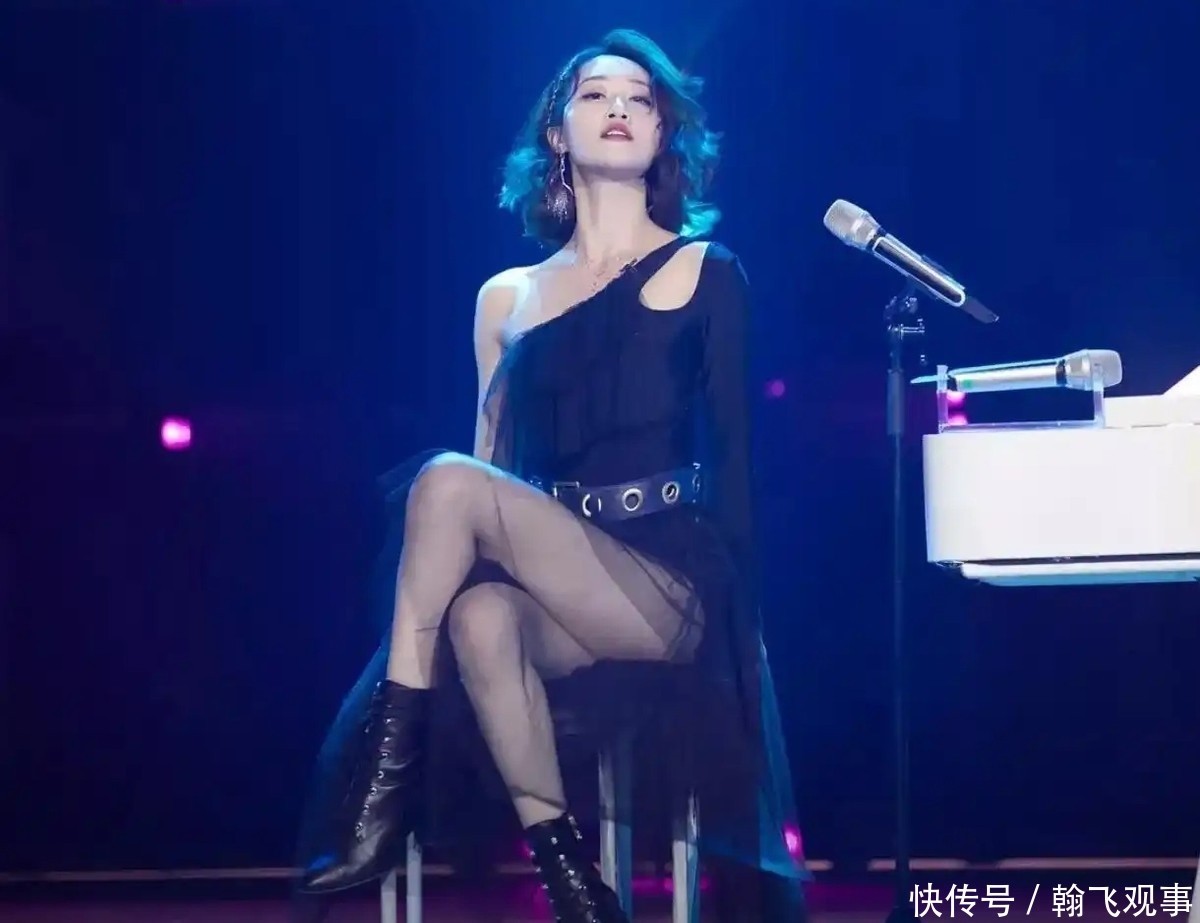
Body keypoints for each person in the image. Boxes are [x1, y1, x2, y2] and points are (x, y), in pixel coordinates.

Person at [293, 28, 808, 923]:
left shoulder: (708, 272)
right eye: (595, 95)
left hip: (670, 579)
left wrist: (744, 634)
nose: (619, 109)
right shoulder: (507, 297)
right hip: (557, 571)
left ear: (663, 134)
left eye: (640, 100)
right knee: (479, 612)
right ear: (557, 134)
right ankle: (575, 886)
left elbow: (736, 458)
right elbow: (490, 470)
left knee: (445, 480)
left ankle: (382, 788)